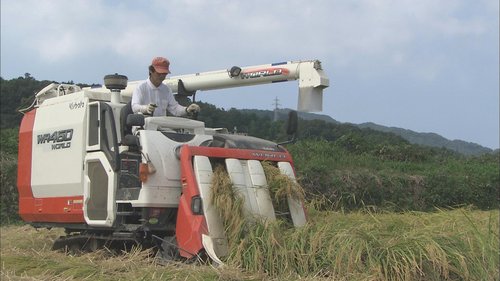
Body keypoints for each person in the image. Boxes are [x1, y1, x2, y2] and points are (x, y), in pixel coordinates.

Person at [131, 56, 200, 116]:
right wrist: (145, 108)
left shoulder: (166, 90)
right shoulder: (140, 88)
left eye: (164, 74)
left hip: (160, 127)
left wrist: (187, 110)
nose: (162, 76)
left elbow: (175, 108)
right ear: (151, 71)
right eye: (159, 73)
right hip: (143, 127)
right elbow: (134, 107)